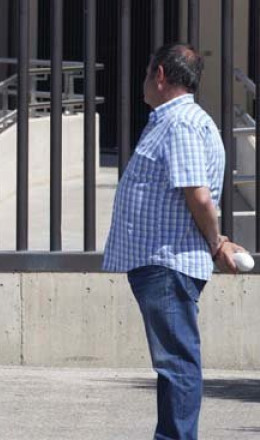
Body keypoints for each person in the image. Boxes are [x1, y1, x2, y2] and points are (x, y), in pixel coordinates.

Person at [103, 43, 244, 440]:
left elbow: (198, 195)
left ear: (161, 74)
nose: (145, 81)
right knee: (173, 365)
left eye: (148, 73)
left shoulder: (179, 123)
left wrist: (217, 243)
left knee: (177, 364)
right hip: (164, 262)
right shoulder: (172, 120)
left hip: (168, 262)